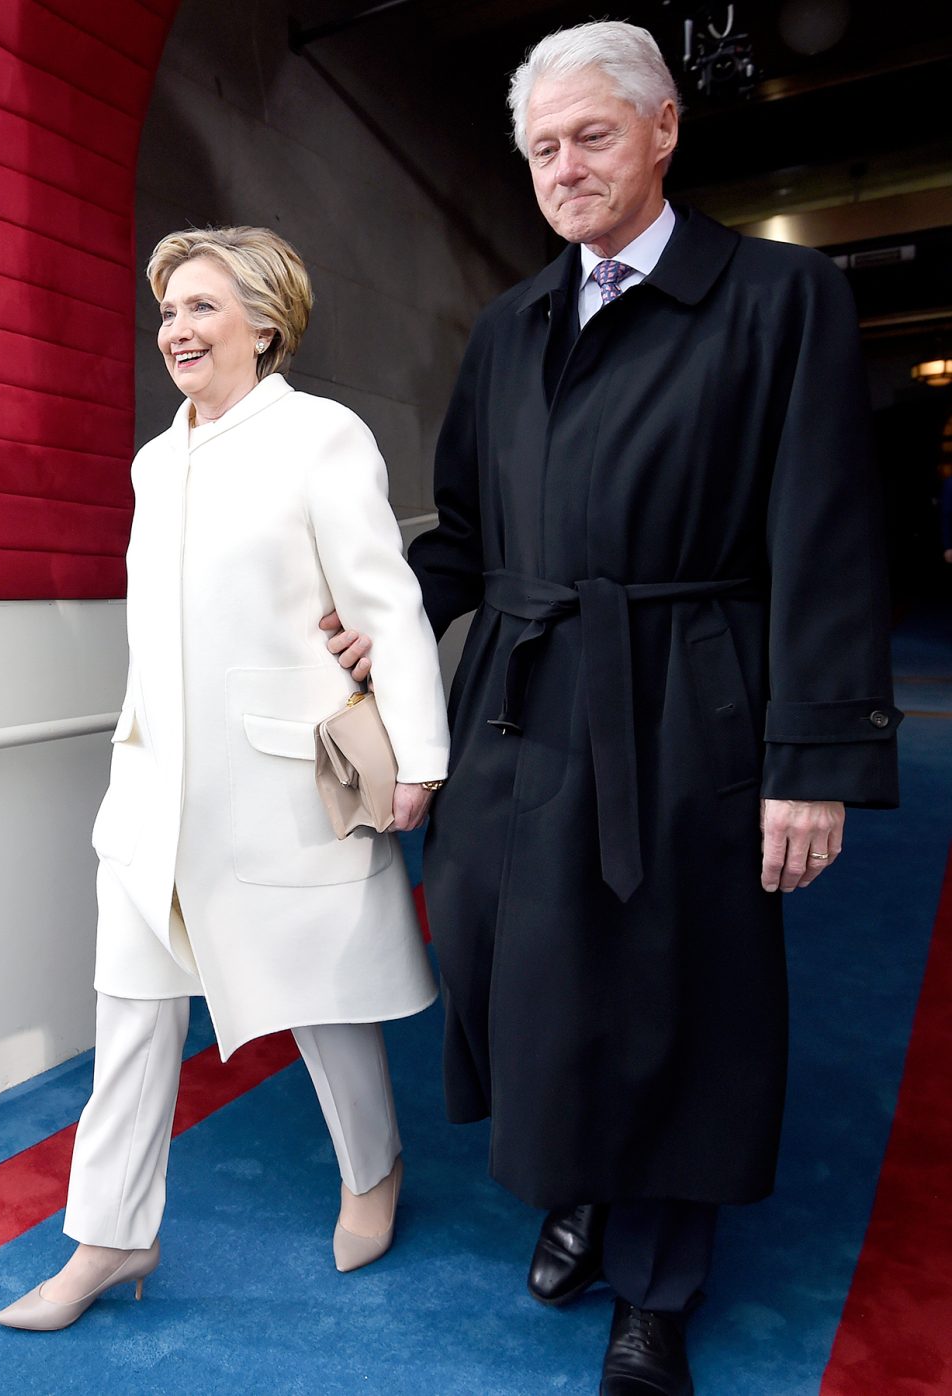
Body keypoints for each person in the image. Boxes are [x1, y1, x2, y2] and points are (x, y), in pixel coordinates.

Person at [332, 20, 901, 1395]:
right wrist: (378, 616)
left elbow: (825, 536)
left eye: (593, 134)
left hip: (686, 700)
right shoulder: (510, 325)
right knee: (518, 971)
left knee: (671, 992)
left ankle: (655, 1282)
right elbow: (464, 527)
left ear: (663, 131)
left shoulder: (777, 297)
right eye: (542, 148)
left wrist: (808, 759)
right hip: (523, 705)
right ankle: (578, 1183)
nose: (567, 166)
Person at [0, 226, 450, 1332]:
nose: (177, 331)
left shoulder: (319, 437)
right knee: (133, 1019)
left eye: (202, 307)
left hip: (280, 789)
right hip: (153, 795)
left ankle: (373, 1170)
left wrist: (420, 757)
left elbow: (385, 605)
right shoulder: (158, 459)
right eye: (167, 312)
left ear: (264, 322)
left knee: (325, 1012)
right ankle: (108, 1238)